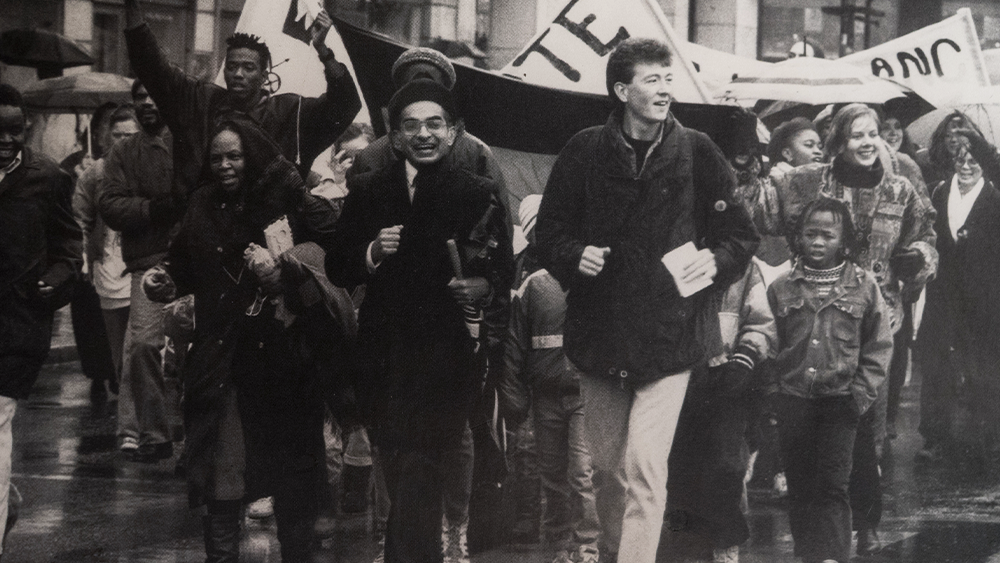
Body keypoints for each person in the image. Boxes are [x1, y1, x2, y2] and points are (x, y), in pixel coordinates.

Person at [535, 37, 759, 563]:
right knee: (608, 471)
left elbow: (740, 235)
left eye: (668, 78)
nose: (665, 89)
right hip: (600, 335)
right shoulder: (584, 150)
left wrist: (718, 260)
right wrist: (574, 256)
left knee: (643, 468)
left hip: (671, 336)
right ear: (621, 89)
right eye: (652, 79)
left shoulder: (698, 149)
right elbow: (549, 232)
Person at [142, 116, 354, 563]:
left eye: (234, 156)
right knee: (224, 473)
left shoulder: (284, 201)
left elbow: (331, 256)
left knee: (292, 479)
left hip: (284, 364)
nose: (224, 165)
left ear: (252, 157)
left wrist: (288, 273)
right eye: (216, 157)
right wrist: (163, 278)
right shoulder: (200, 204)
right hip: (223, 363)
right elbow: (181, 262)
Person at [326, 79, 513, 563]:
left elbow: (501, 269)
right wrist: (370, 251)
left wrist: (482, 287)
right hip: (383, 359)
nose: (424, 134)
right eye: (411, 125)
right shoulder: (369, 189)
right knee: (401, 467)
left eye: (435, 124)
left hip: (446, 360)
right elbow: (337, 267)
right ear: (394, 135)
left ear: (454, 132)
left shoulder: (478, 193)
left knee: (420, 469)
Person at [123, 0, 361, 194]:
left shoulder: (291, 113)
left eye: (248, 68)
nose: (238, 74)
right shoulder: (200, 102)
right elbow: (152, 67)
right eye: (232, 66)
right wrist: (132, 6)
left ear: (264, 75)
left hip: (271, 241)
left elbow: (346, 104)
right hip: (207, 235)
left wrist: (323, 51)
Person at [767, 197, 892, 563]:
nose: (818, 242)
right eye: (810, 234)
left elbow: (879, 344)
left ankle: (833, 557)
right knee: (801, 486)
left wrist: (859, 395)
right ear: (798, 238)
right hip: (793, 400)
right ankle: (809, 555)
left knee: (833, 486)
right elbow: (770, 342)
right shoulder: (781, 287)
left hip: (841, 401)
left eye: (828, 235)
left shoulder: (864, 286)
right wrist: (774, 391)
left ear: (844, 240)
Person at [0, 84, 82, 556]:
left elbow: (70, 247)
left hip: (17, 325)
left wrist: (56, 279)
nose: (7, 139)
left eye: (15, 129)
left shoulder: (47, 178)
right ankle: (6, 499)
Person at [499, 194, 600, 563]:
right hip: (545, 400)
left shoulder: (591, 278)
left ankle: (587, 546)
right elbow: (513, 347)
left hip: (584, 397)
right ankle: (557, 545)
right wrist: (515, 401)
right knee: (553, 475)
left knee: (580, 475)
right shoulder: (533, 287)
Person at [665, 255, 775, 563]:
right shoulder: (670, 250)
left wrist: (746, 355)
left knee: (726, 466)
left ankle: (726, 544)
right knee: (680, 468)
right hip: (678, 376)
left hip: (729, 378)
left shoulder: (744, 267)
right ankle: (687, 546)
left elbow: (761, 322)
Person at [99, 80, 181, 462]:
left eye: (154, 94)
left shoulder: (188, 141)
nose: (147, 102)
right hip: (147, 263)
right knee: (145, 345)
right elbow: (110, 205)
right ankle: (154, 434)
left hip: (193, 259)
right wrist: (151, 210)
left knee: (196, 353)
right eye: (139, 97)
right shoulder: (122, 152)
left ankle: (197, 443)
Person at [916, 129, 1000, 467]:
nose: (966, 166)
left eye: (973, 161)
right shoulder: (938, 193)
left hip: (985, 295)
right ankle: (935, 437)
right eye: (960, 159)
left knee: (984, 365)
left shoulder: (995, 198)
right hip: (943, 294)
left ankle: (991, 436)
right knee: (937, 366)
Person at [72, 105, 139, 401]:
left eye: (129, 134)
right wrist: (84, 258)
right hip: (109, 268)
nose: (123, 141)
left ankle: (138, 417)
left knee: (142, 345)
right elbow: (79, 217)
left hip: (143, 267)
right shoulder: (95, 173)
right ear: (107, 137)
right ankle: (129, 413)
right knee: (118, 349)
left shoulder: (152, 167)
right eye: (117, 135)